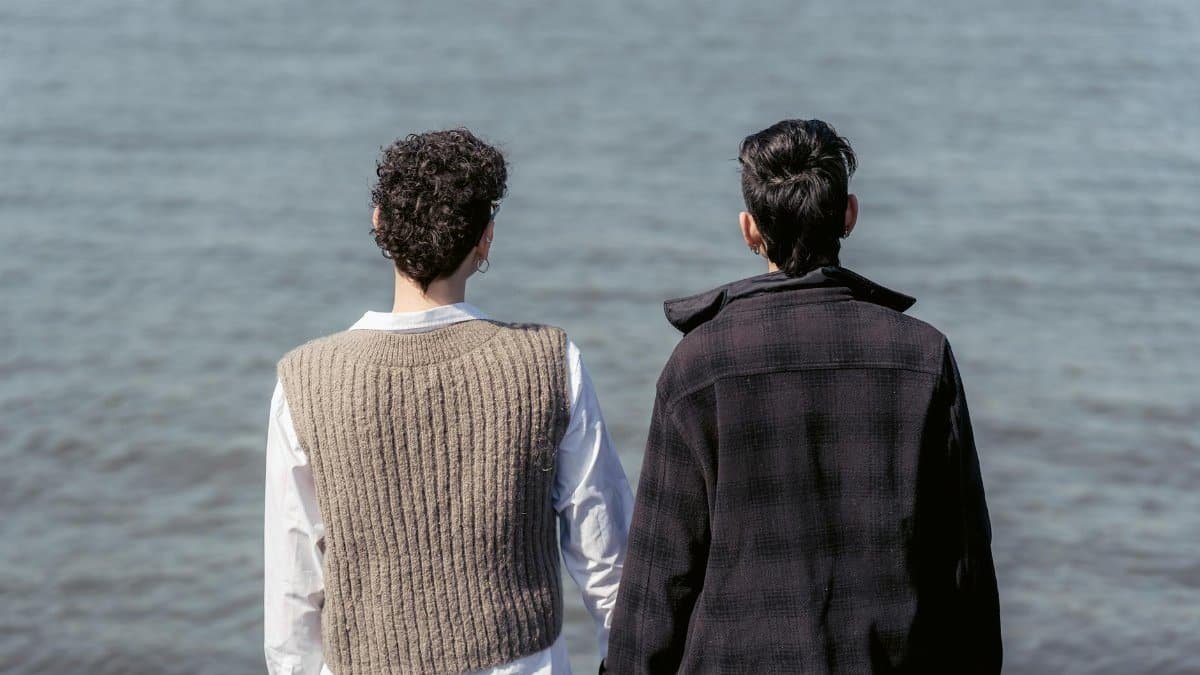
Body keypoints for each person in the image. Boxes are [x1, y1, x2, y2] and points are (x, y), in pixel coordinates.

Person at [606, 119, 1001, 673]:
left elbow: (661, 577)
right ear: (849, 215)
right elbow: (965, 565)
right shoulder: (923, 357)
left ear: (749, 229)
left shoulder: (699, 366)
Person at [264, 129, 633, 675]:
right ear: (485, 239)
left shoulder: (306, 380)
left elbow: (294, 593)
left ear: (379, 223)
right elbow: (607, 556)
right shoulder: (549, 362)